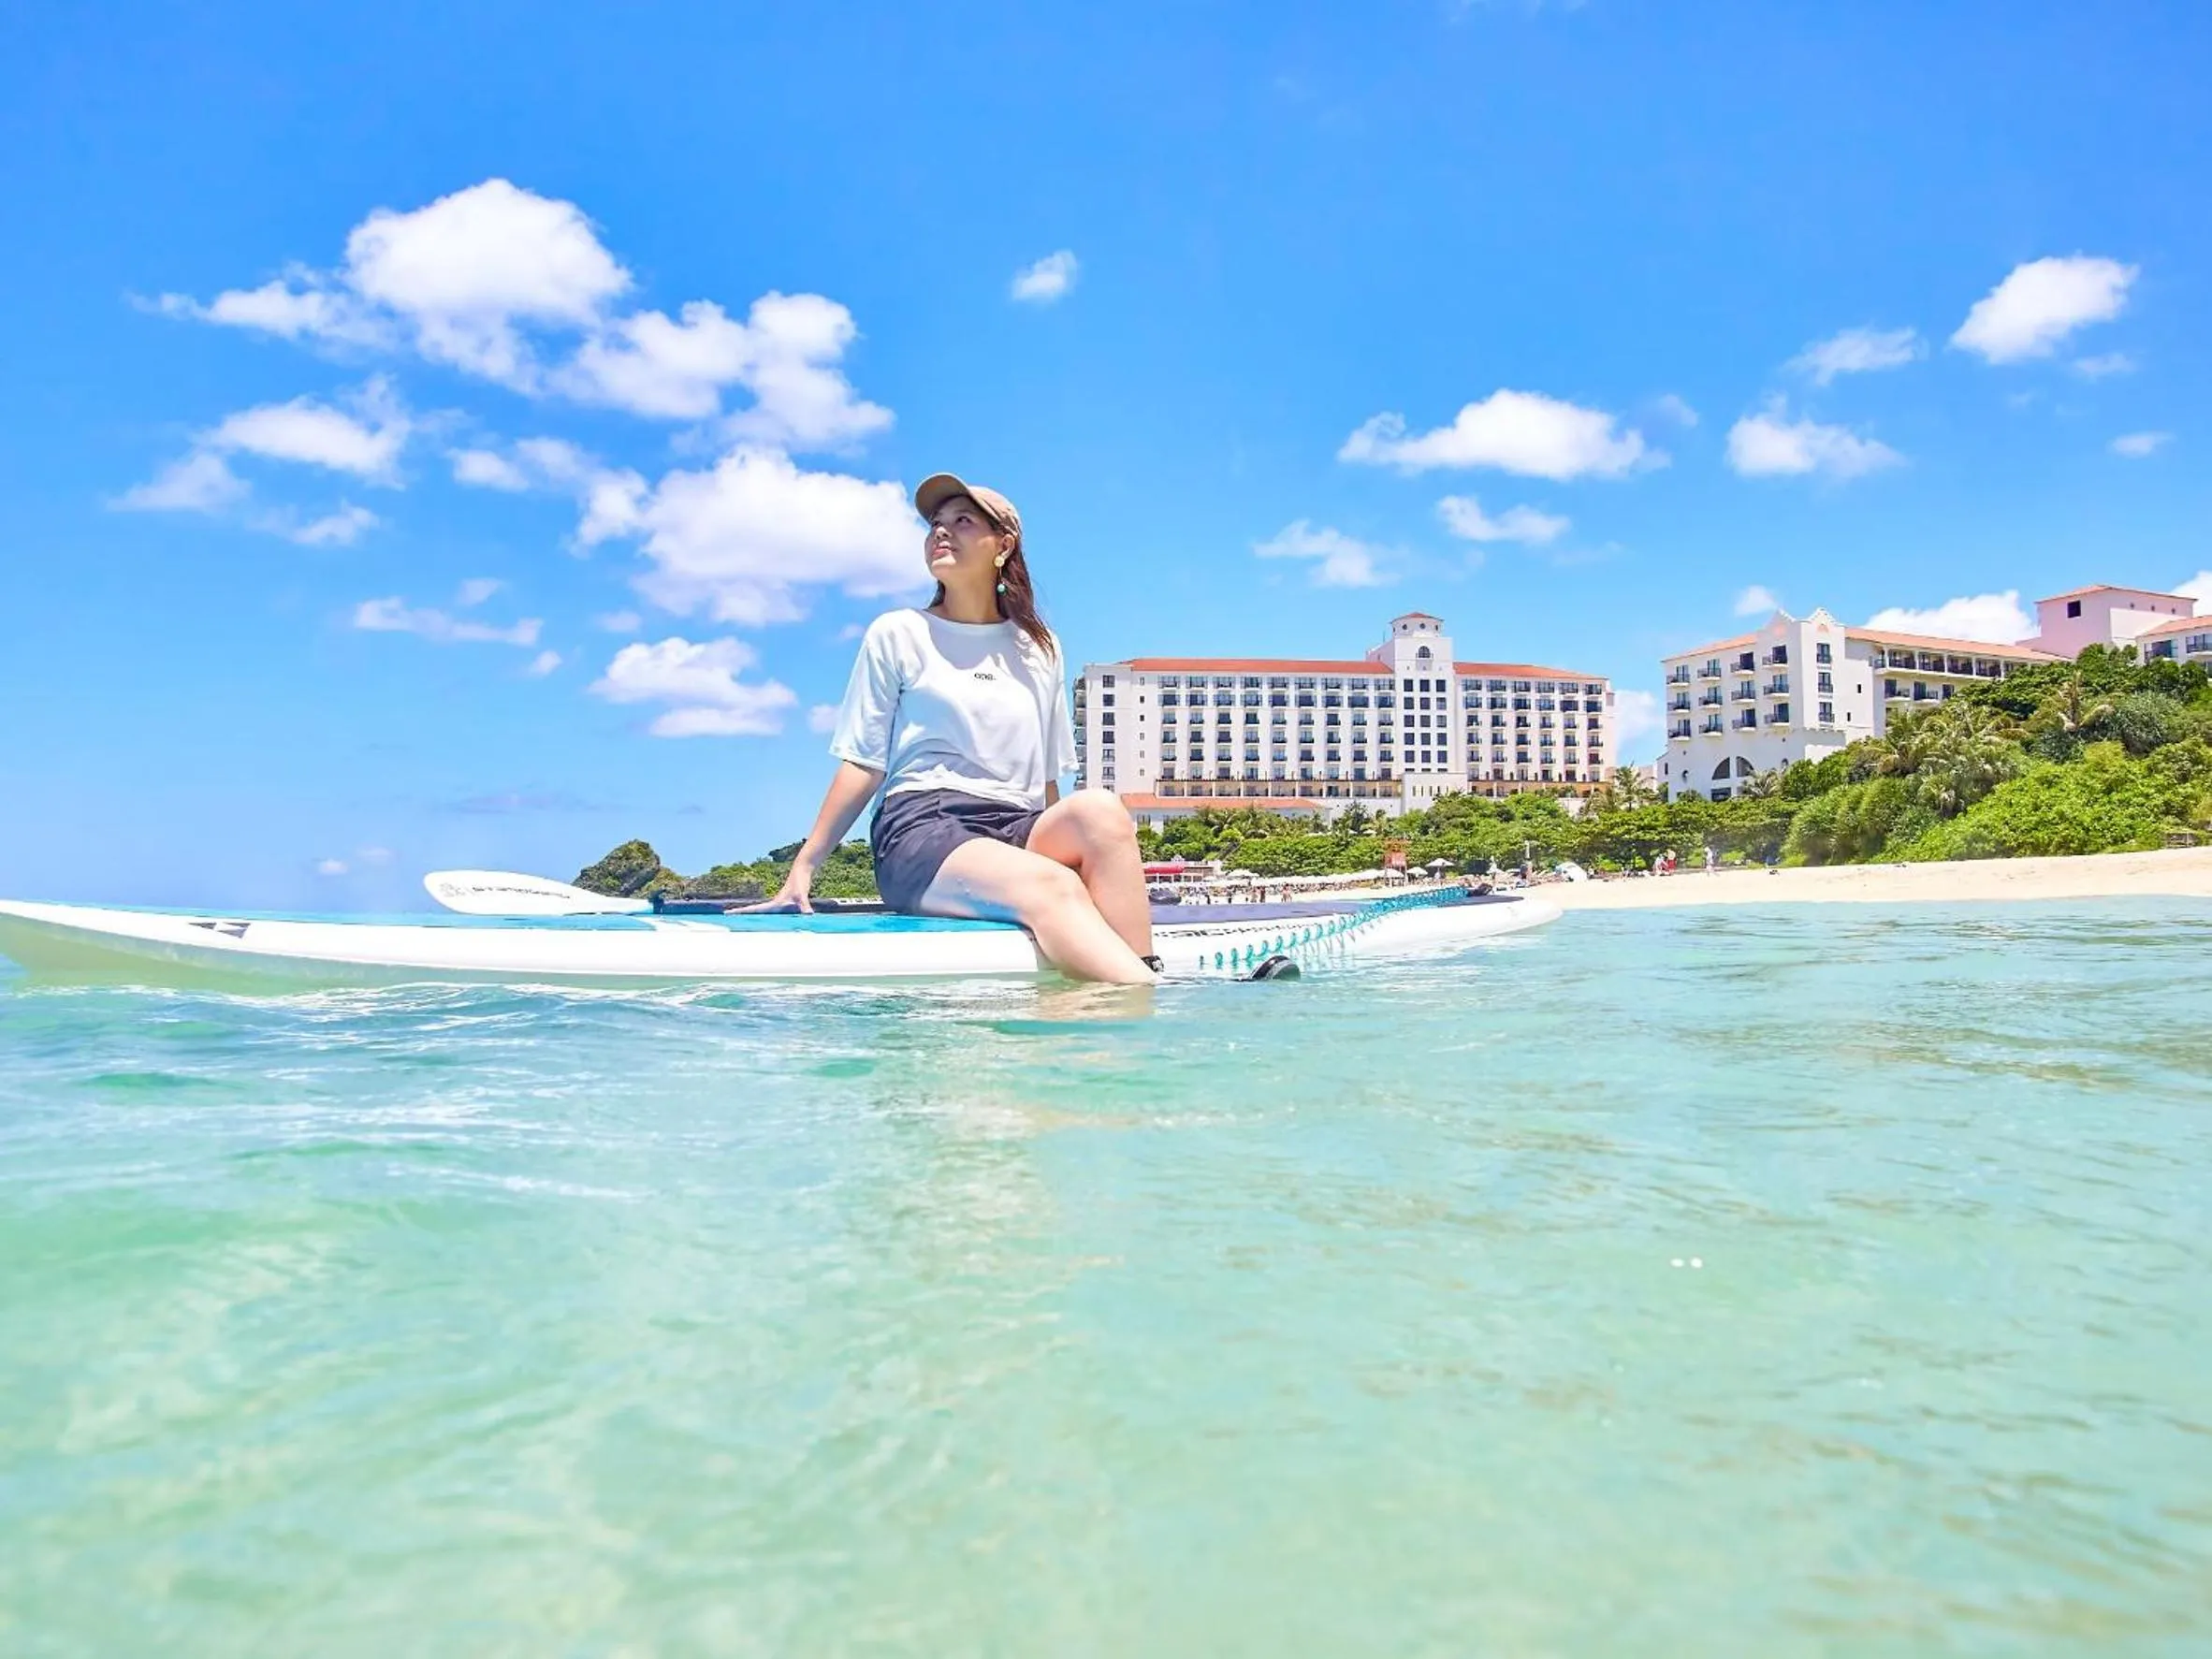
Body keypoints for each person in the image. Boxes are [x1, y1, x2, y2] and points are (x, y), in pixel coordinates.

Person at [752, 473, 1293, 984]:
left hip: (1016, 824)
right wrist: (804, 868)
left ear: (1003, 544)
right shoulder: (898, 633)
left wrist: (1074, 856)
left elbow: (1049, 778)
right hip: (923, 826)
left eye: (963, 521)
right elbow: (863, 760)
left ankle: (1139, 970)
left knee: (1100, 808)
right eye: (935, 523)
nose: (941, 531)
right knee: (1052, 885)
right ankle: (1163, 992)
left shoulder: (1038, 646)